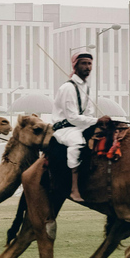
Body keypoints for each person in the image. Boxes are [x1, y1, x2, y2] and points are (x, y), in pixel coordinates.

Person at [51, 52, 98, 202]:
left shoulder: (87, 88)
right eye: (83, 63)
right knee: (78, 143)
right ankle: (74, 189)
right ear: (75, 66)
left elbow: (89, 114)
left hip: (81, 126)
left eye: (89, 63)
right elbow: (72, 117)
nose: (87, 67)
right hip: (65, 128)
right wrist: (96, 121)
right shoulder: (67, 88)